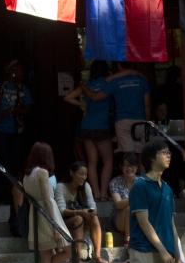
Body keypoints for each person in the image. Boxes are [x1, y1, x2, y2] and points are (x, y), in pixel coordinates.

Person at [23, 142, 73, 263]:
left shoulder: (27, 175)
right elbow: (47, 198)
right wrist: (55, 226)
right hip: (47, 212)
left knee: (45, 256)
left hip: (35, 213)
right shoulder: (42, 173)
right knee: (68, 249)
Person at [65, 61, 114, 201]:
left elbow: (67, 97)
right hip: (102, 125)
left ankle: (96, 194)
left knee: (92, 161)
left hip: (87, 125)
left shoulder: (87, 85)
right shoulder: (107, 83)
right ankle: (104, 193)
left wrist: (82, 104)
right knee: (108, 160)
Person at [0, 60, 33, 211]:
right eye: (13, 70)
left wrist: (18, 111)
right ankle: (3, 196)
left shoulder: (23, 88)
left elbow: (29, 108)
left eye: (19, 70)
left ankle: (17, 196)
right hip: (1, 130)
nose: (16, 73)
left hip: (17, 131)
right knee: (3, 164)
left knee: (17, 164)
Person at [55, 161, 109, 263]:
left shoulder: (86, 186)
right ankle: (77, 257)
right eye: (81, 174)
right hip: (64, 223)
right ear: (72, 173)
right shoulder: (61, 187)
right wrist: (79, 212)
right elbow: (61, 211)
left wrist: (91, 211)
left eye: (85, 175)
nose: (84, 177)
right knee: (78, 218)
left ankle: (97, 256)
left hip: (83, 221)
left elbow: (92, 205)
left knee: (94, 218)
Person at [104, 62, 151, 157]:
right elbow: (147, 104)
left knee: (129, 154)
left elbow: (102, 86)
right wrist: (148, 122)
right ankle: (142, 172)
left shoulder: (115, 82)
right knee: (142, 153)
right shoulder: (142, 80)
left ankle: (131, 172)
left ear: (118, 65)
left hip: (122, 121)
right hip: (140, 119)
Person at [109, 152, 139, 244]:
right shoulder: (115, 182)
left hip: (139, 217)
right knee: (129, 209)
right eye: (126, 166)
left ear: (137, 167)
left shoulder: (141, 182)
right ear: (121, 167)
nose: (129, 168)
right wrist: (135, 198)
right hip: (119, 219)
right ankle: (128, 240)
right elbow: (118, 204)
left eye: (132, 165)